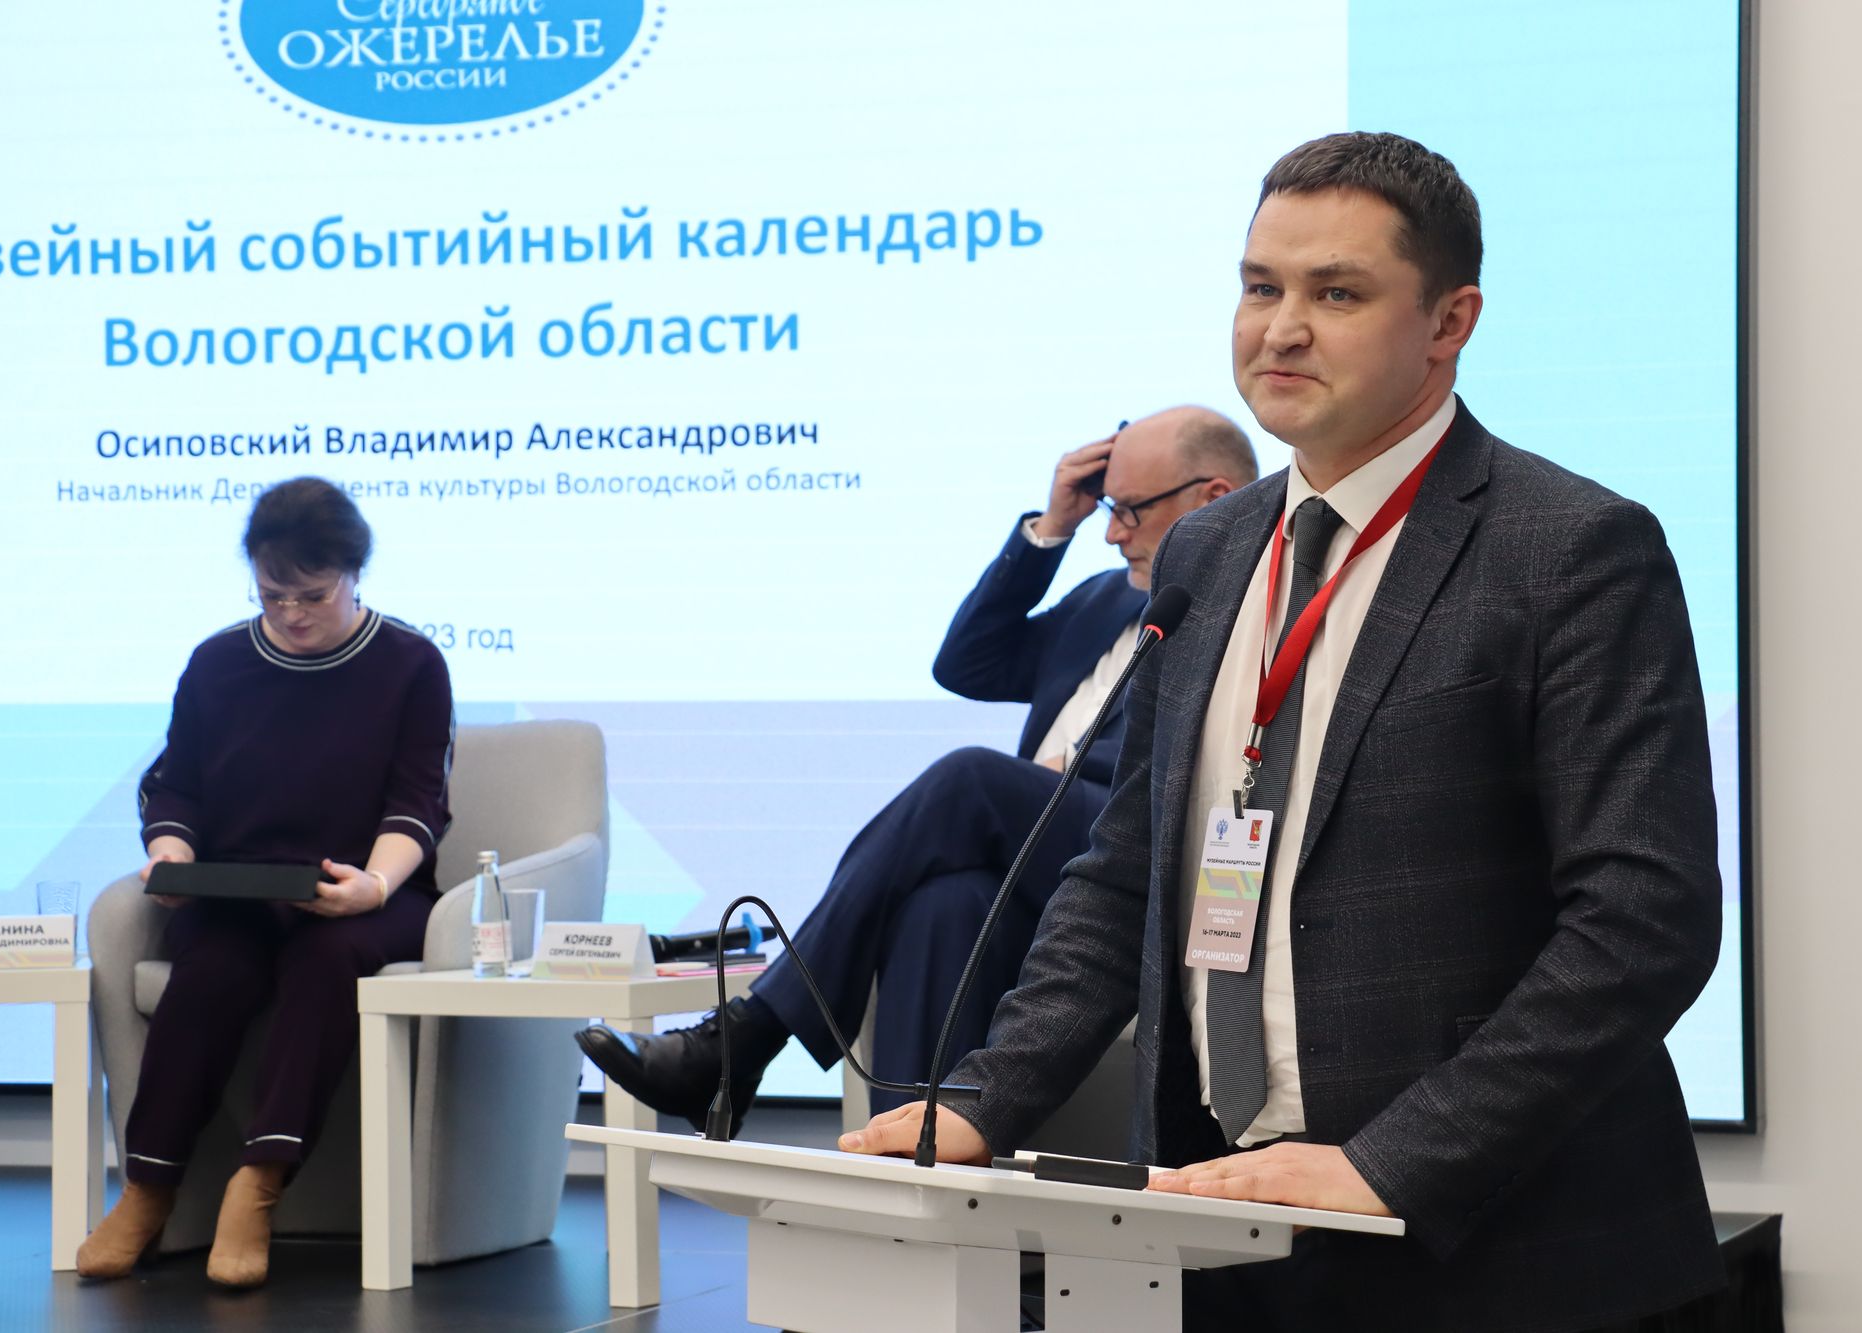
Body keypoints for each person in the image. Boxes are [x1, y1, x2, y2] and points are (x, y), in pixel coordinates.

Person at [842, 132, 1726, 1332]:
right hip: (1225, 1222)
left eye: (1336, 293)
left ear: (1448, 321)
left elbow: (1641, 923)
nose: (1281, 329)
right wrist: (984, 1098)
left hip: (1497, 1251)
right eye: (1260, 287)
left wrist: (1390, 1163)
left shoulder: (1568, 548)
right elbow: (1123, 877)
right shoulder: (1208, 551)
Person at [577, 407, 1259, 1128]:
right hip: (1045, 865)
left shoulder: (1248, 607)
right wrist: (1052, 527)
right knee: (944, 903)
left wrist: (1075, 764)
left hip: (1142, 857)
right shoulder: (1105, 595)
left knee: (971, 778)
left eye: (1130, 510)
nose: (1113, 532)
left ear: (1211, 499)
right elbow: (969, 663)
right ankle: (912, 1150)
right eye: (1107, 509)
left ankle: (748, 1034)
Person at [76, 478, 454, 1289]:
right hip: (241, 895)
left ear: (354, 573)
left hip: (367, 895)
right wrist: (171, 853)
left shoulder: (411, 664)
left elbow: (418, 800)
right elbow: (175, 787)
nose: (291, 613)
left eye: (312, 595)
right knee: (212, 971)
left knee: (326, 959)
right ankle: (146, 1189)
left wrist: (373, 885)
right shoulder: (218, 663)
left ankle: (258, 1184)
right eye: (272, 595)